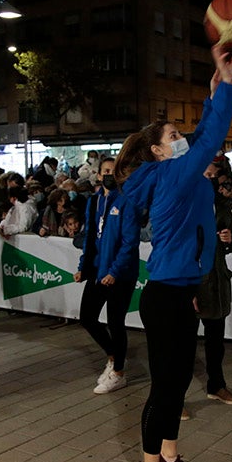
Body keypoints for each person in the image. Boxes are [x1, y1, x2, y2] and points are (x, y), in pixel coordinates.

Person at [115, 44, 232, 462]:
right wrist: (225, 89)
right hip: (165, 295)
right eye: (173, 135)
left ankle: (168, 457)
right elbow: (210, 138)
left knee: (181, 378)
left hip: (183, 291)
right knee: (166, 388)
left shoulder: (188, 178)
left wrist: (211, 96)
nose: (182, 139)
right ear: (159, 151)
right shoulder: (171, 175)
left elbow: (204, 138)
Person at [75, 157, 140, 395]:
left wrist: (115, 271)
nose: (109, 175)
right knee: (87, 317)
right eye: (106, 171)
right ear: (99, 175)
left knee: (115, 322)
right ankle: (113, 356)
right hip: (98, 269)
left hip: (120, 273)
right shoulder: (94, 201)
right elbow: (90, 237)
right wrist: (83, 266)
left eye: (114, 171)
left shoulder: (127, 201)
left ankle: (119, 373)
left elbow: (130, 242)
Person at [195, 162, 232, 406]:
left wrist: (229, 239)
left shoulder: (222, 207)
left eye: (215, 176)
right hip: (192, 281)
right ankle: (174, 398)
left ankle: (217, 385)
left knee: (215, 341)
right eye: (207, 174)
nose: (212, 179)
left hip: (216, 281)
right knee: (183, 344)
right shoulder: (186, 205)